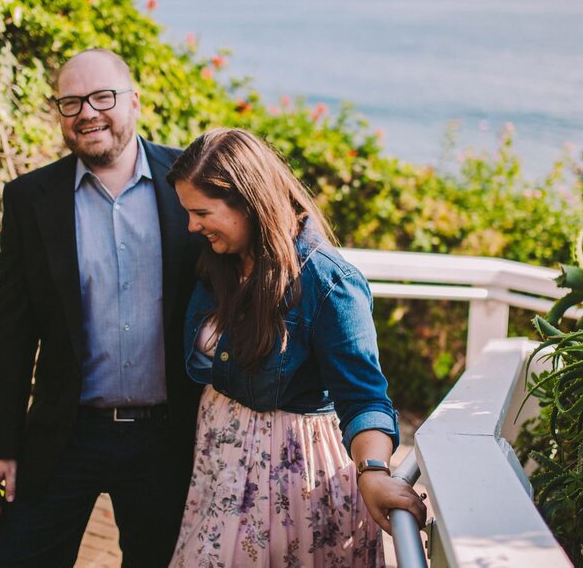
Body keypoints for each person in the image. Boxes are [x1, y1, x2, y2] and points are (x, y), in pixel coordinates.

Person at [166, 128, 427, 567]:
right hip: (219, 466)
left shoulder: (328, 282)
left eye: (201, 212)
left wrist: (374, 473)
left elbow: (365, 398)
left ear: (248, 203)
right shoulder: (220, 261)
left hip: (290, 481)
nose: (191, 226)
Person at [0, 48, 201, 566]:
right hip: (66, 434)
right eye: (71, 101)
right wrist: (1, 447)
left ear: (134, 103)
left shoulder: (189, 181)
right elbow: (12, 334)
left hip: (167, 438)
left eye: (103, 97)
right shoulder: (30, 199)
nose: (87, 112)